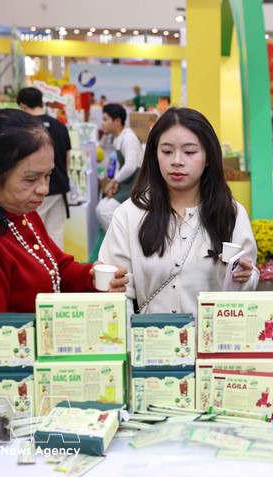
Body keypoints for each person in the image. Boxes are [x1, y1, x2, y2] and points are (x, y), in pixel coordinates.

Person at [0, 109, 128, 313]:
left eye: (48, 175)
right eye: (30, 179)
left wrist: (88, 277)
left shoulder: (18, 211)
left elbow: (56, 267)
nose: (44, 189)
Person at [98, 108, 258, 315]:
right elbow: (119, 292)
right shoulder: (129, 214)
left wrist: (245, 277)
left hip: (210, 343)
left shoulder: (231, 214)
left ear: (208, 157)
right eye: (166, 151)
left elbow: (247, 282)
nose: (177, 161)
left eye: (190, 152)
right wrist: (130, 343)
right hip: (149, 342)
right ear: (155, 155)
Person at [16, 87, 71, 250]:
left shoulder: (24, 128)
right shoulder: (61, 127)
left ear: (23, 106)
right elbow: (68, 159)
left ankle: (41, 273)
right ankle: (59, 273)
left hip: (35, 189)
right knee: (55, 234)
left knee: (32, 233)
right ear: (42, 102)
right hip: (60, 187)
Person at [97, 104, 143, 230]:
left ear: (117, 121)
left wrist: (114, 181)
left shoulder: (129, 138)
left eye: (105, 119)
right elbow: (119, 165)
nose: (102, 123)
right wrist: (116, 184)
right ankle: (114, 243)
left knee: (105, 212)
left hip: (135, 185)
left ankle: (122, 243)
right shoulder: (118, 138)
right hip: (125, 183)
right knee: (100, 208)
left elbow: (130, 166)